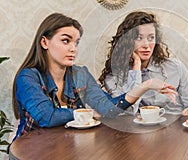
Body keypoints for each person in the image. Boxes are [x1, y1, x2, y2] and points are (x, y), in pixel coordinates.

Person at [12, 13, 176, 140]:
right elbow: (47, 117)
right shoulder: (28, 77)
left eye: (76, 42)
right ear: (44, 42)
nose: (73, 48)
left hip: (67, 147)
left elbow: (108, 108)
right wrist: (89, 112)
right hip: (31, 152)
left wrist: (145, 86)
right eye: (66, 41)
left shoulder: (80, 74)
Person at [99, 11, 188, 114]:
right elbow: (129, 112)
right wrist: (136, 67)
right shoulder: (114, 78)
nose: (146, 45)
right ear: (127, 41)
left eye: (151, 38)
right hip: (140, 129)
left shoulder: (175, 67)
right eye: (139, 38)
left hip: (175, 126)